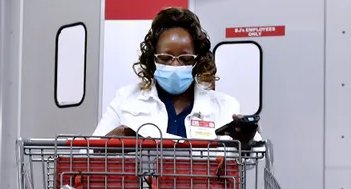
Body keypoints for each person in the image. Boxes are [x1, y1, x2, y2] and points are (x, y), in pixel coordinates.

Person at [95, 7, 246, 139]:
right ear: (152, 59)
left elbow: (252, 154)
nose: (175, 65)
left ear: (198, 60)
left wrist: (245, 141)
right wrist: (112, 142)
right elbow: (87, 151)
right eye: (165, 58)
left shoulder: (225, 106)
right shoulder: (125, 100)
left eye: (185, 59)